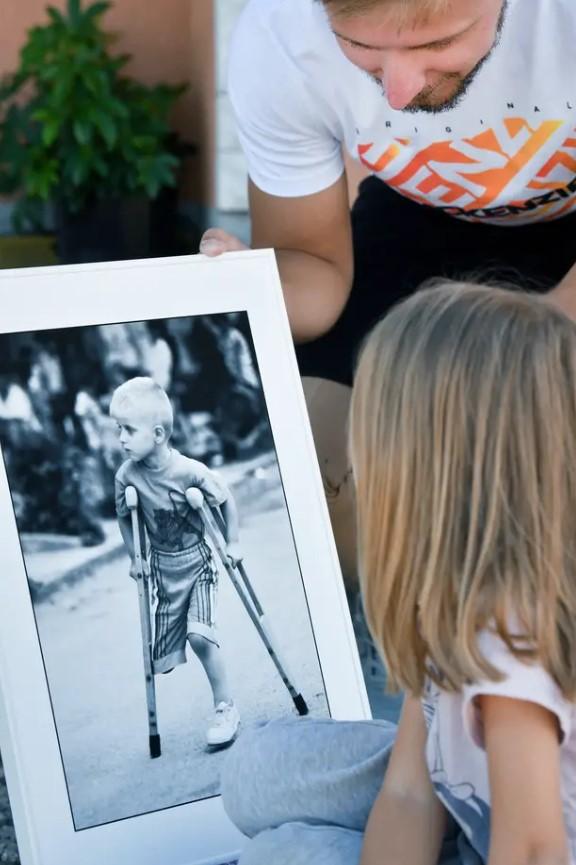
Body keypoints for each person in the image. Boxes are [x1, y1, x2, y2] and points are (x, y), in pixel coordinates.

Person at [199, 0, 576, 592]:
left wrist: (516, 370)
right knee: (310, 472)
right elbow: (314, 265)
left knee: (532, 447)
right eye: (362, 49)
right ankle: (398, 642)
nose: (398, 93)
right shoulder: (279, 35)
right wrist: (242, 298)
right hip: (422, 216)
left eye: (436, 43)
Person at [219, 283, 576, 865]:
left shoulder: (510, 644)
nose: (354, 453)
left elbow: (536, 851)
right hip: (479, 813)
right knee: (253, 771)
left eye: (371, 424)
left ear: (429, 467)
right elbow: (410, 791)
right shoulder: (450, 589)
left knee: (283, 853)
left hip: (523, 845)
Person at [110, 376, 242, 748]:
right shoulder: (126, 477)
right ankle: (210, 694)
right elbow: (124, 515)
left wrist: (232, 542)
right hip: (164, 574)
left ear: (156, 433)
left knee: (200, 637)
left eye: (127, 430)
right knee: (163, 659)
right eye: (117, 429)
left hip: (198, 564)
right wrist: (135, 556)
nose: (120, 438)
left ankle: (225, 706)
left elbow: (225, 499)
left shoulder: (189, 471)